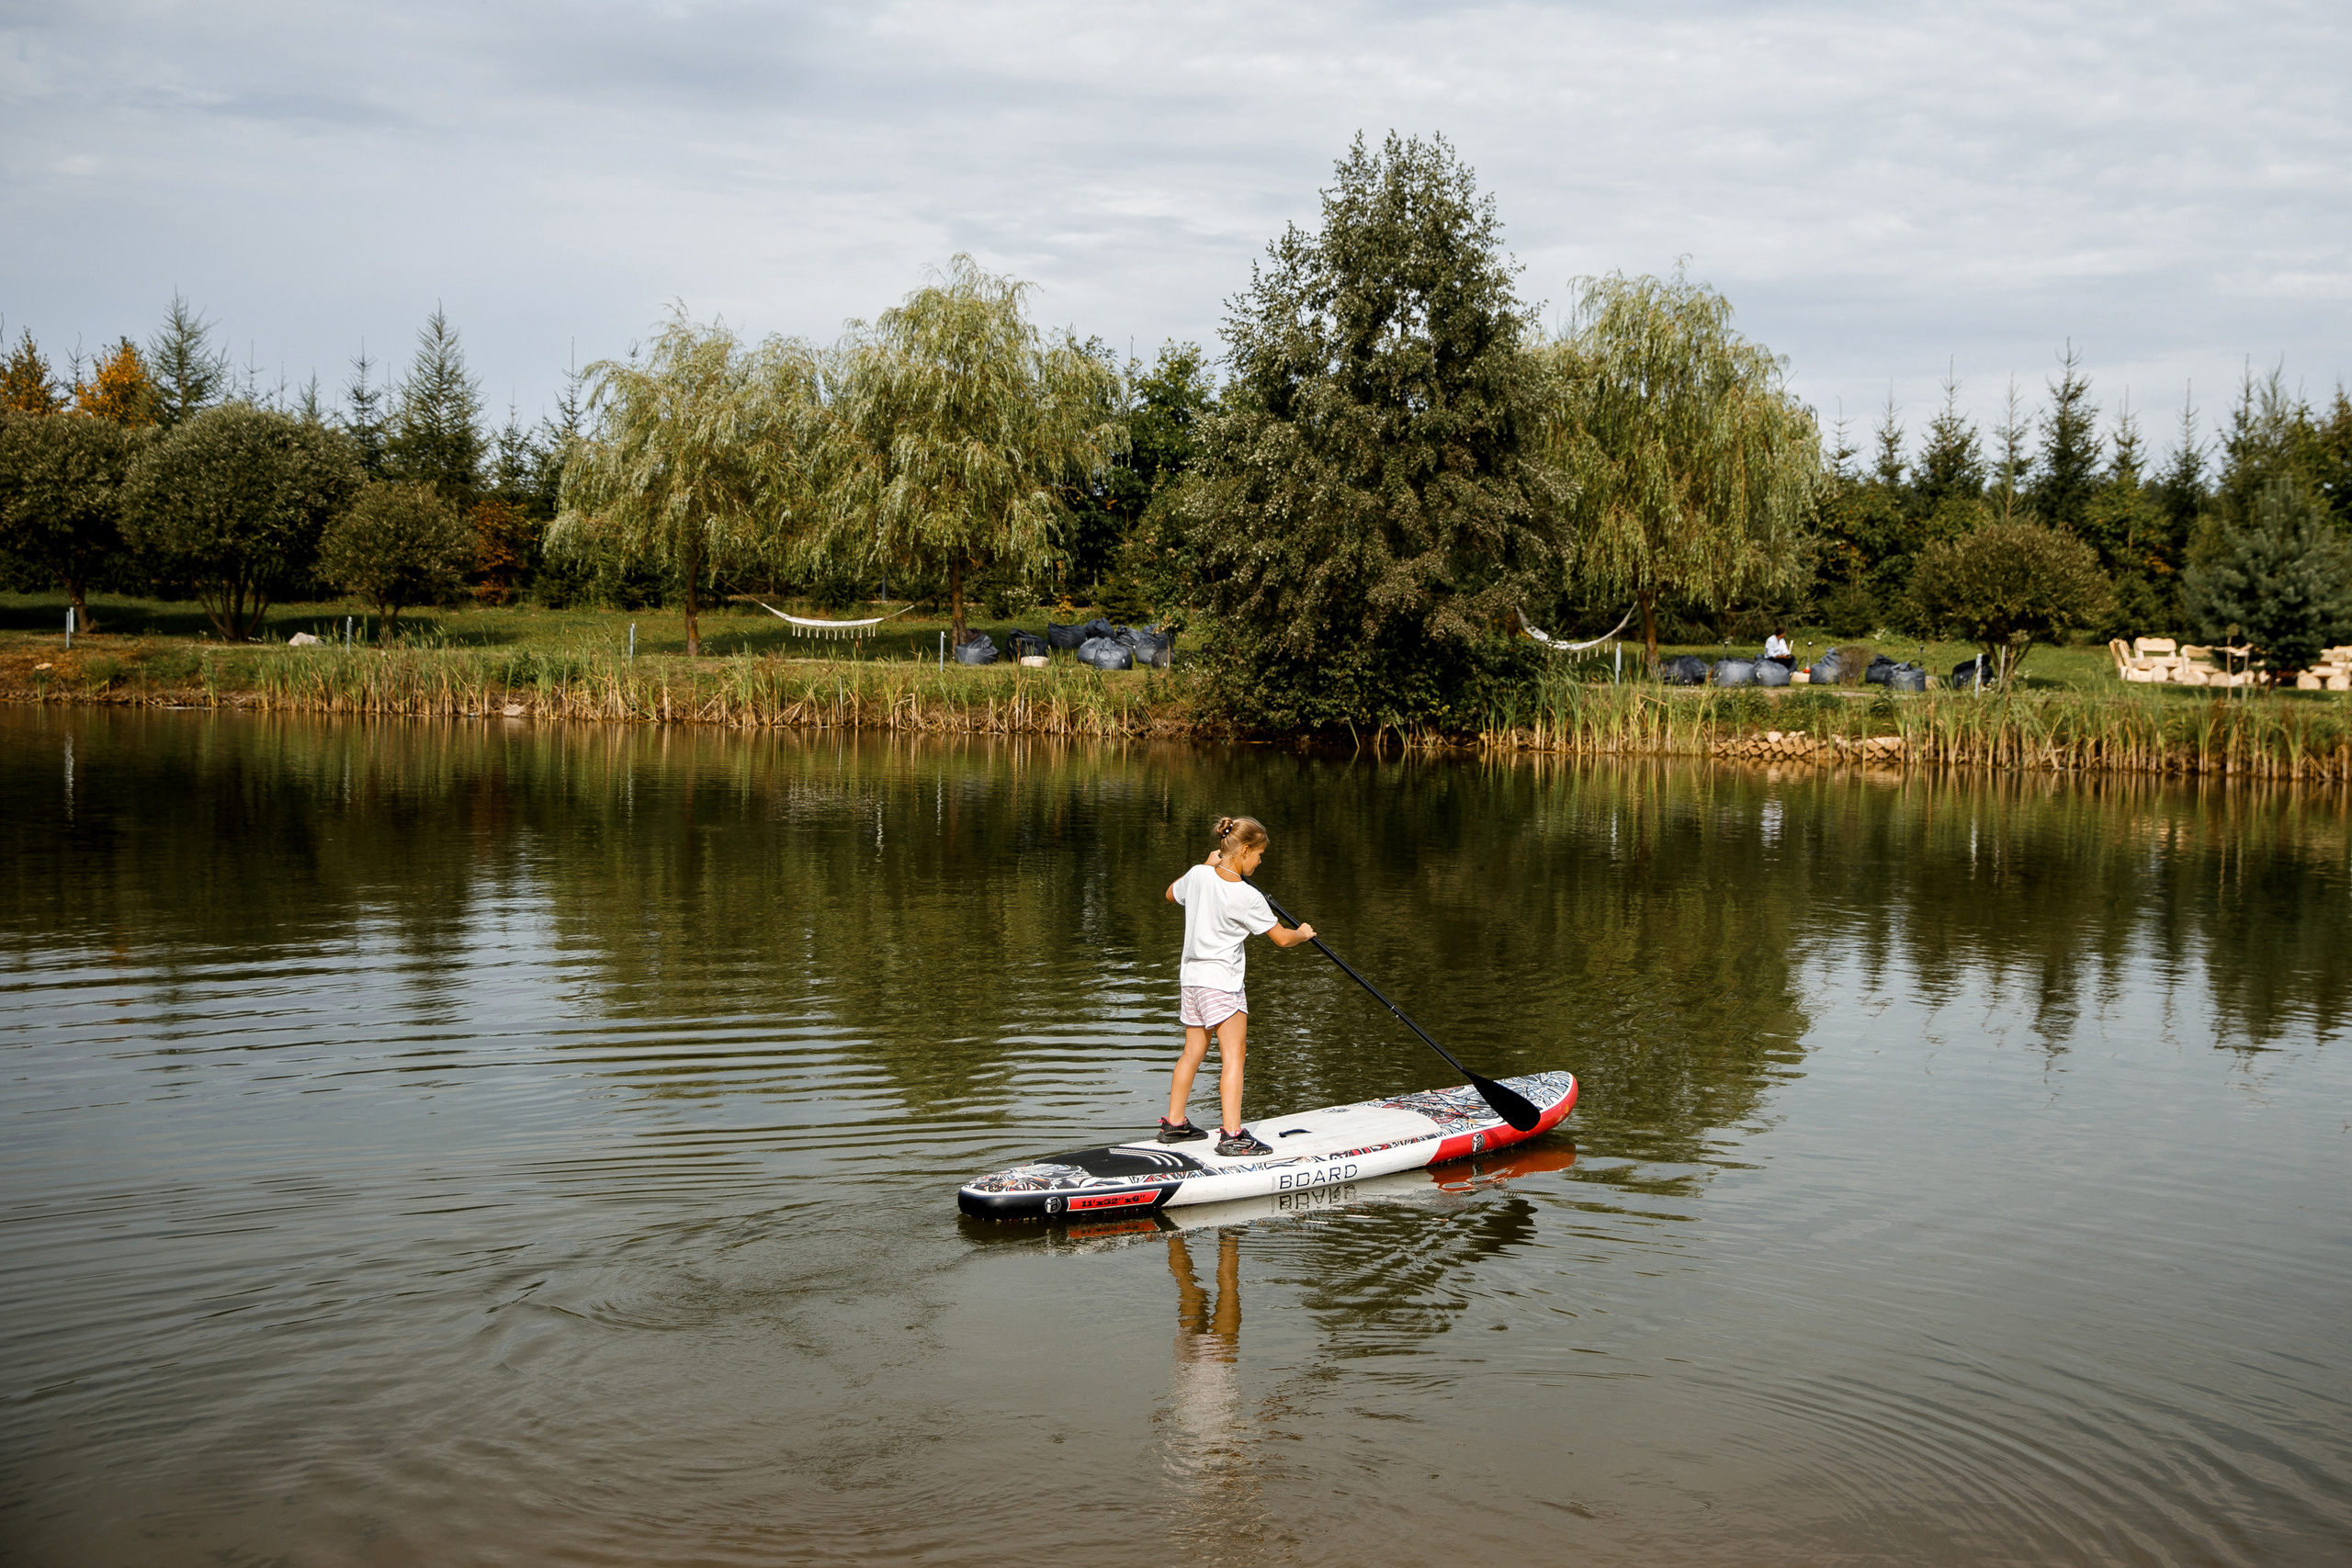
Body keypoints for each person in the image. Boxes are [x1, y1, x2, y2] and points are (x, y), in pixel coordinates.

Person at [1161, 815, 1317, 1156]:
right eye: (1259, 854)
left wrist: (1203, 864)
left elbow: (1172, 894)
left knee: (1192, 1052)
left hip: (1191, 982)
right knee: (1234, 1057)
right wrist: (1303, 934)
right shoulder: (1246, 896)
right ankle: (1232, 1135)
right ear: (1244, 850)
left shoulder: (1198, 875)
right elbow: (1281, 938)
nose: (1259, 862)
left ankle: (1174, 1124)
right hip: (1222, 985)